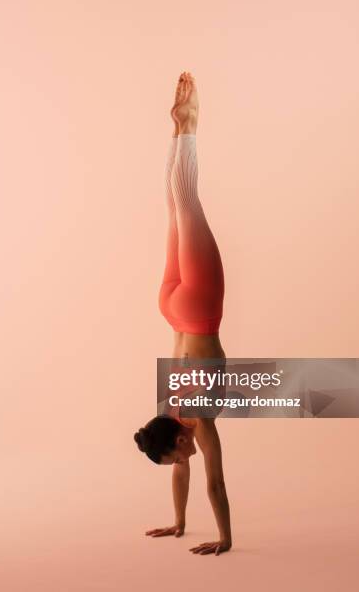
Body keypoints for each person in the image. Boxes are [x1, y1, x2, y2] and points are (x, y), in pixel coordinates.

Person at [133, 72, 232, 556]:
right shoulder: (167, 412)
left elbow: (213, 482)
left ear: (175, 440)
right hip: (170, 307)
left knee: (187, 202)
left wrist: (225, 538)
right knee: (174, 208)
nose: (183, 460)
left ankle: (187, 127)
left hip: (197, 309)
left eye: (177, 454)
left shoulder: (196, 419)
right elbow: (182, 472)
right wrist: (177, 523)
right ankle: (177, 131)